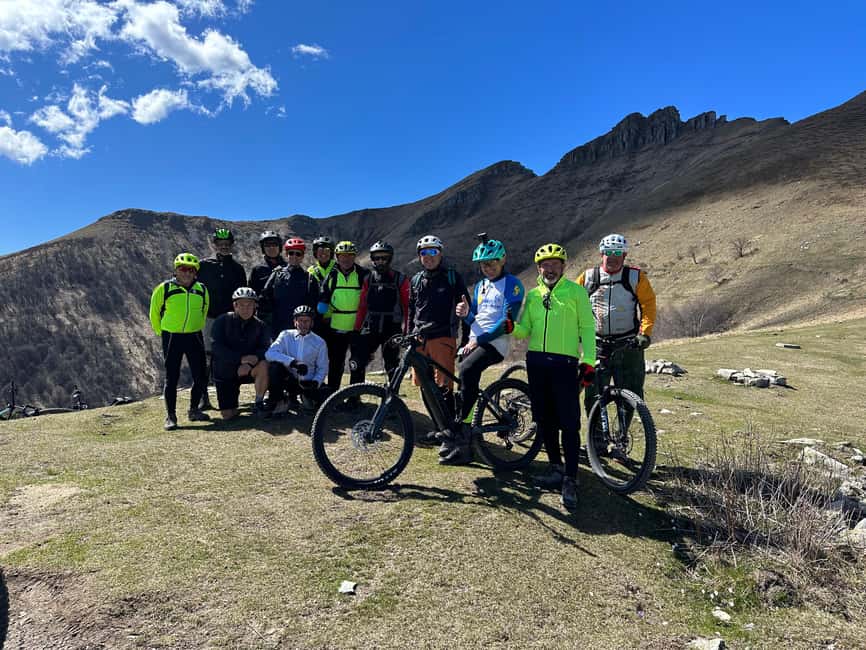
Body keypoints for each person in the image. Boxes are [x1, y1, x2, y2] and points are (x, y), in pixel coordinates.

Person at [511, 243, 596, 510]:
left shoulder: (576, 292)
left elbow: (587, 327)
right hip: (536, 363)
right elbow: (525, 331)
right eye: (545, 265)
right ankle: (555, 469)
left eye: (555, 264)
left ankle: (571, 477)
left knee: (569, 422)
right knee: (545, 419)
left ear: (563, 266)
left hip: (565, 363)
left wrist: (589, 361)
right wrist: (511, 326)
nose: (549, 269)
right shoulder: (533, 295)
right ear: (539, 268)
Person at [443, 235, 525, 465]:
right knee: (462, 379)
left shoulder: (513, 284)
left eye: (492, 263)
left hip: (496, 342)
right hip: (476, 340)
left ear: (503, 260)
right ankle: (461, 434)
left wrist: (479, 341)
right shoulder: (480, 286)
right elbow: (475, 319)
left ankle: (463, 434)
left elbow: (505, 323)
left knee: (468, 369)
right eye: (484, 264)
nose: (488, 268)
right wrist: (465, 314)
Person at [576, 233, 656, 415]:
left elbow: (648, 305)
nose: (612, 256)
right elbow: (573, 307)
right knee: (593, 395)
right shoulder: (588, 277)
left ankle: (622, 438)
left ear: (624, 255)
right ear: (601, 254)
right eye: (608, 252)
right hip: (596, 345)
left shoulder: (635, 277)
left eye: (617, 252)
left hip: (628, 345)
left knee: (631, 395)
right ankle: (596, 440)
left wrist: (645, 333)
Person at [407, 234, 471, 446]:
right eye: (424, 253)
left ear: (440, 254)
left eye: (433, 252)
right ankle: (438, 428)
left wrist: (465, 338)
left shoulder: (452, 276)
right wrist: (409, 335)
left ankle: (451, 433)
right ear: (419, 257)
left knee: (444, 388)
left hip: (443, 338)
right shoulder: (416, 280)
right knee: (425, 386)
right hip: (419, 340)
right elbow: (411, 311)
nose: (428, 256)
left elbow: (465, 307)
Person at [149, 252, 211, 430]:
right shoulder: (165, 288)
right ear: (175, 270)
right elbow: (154, 312)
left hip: (194, 335)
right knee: (172, 377)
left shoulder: (202, 289)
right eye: (183, 269)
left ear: (196, 272)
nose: (187, 273)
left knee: (200, 375)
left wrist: (197, 325)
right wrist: (161, 331)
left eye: (191, 270)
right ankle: (171, 416)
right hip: (172, 336)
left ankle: (194, 410)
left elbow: (204, 310)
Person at [196, 227, 247, 410]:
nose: (224, 247)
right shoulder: (203, 265)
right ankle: (203, 397)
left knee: (230, 358)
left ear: (232, 245)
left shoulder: (238, 269)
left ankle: (231, 398)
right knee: (206, 358)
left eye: (227, 244)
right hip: (209, 318)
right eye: (220, 244)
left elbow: (243, 296)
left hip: (230, 319)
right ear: (214, 245)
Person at [210, 287, 271, 420]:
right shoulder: (222, 321)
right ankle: (232, 408)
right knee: (227, 415)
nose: (246, 308)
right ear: (235, 305)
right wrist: (240, 360)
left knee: (264, 365)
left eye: (249, 304)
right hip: (226, 370)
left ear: (255, 306)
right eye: (241, 304)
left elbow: (266, 348)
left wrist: (249, 363)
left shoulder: (261, 325)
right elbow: (216, 347)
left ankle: (259, 403)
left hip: (250, 369)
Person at [353, 241, 410, 383]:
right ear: (372, 259)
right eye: (377, 258)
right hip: (370, 327)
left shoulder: (400, 279)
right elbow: (362, 306)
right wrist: (356, 328)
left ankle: (394, 399)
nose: (380, 261)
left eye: (384, 258)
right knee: (358, 361)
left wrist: (407, 330)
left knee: (392, 365)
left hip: (392, 328)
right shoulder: (368, 279)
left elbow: (408, 307)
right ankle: (354, 397)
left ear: (390, 259)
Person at [317, 241, 370, 392]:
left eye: (349, 256)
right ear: (337, 257)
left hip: (357, 327)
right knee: (335, 363)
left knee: (357, 363)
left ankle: (355, 397)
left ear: (354, 257)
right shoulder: (332, 275)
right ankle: (332, 394)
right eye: (342, 256)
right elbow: (323, 298)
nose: (345, 259)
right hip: (336, 327)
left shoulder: (363, 274)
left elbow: (370, 299)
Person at [265, 305, 329, 413]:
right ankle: (280, 400)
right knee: (275, 367)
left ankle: (304, 398)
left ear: (312, 322)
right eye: (300, 320)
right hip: (290, 379)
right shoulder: (285, 335)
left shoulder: (320, 342)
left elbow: (323, 368)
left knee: (326, 398)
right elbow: (269, 353)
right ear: (295, 321)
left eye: (307, 321)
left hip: (309, 383)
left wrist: (316, 383)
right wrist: (293, 362)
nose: (303, 324)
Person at [260, 237, 319, 338]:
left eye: (298, 253)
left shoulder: (309, 278)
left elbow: (313, 305)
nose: (294, 256)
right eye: (291, 253)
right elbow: (264, 298)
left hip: (301, 329)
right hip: (277, 327)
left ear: (303, 256)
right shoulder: (276, 274)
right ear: (286, 254)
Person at [247, 231, 286, 331]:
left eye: (275, 244)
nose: (271, 248)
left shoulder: (287, 267)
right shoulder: (257, 269)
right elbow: (251, 294)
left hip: (284, 314)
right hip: (263, 316)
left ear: (280, 247)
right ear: (263, 248)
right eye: (267, 245)